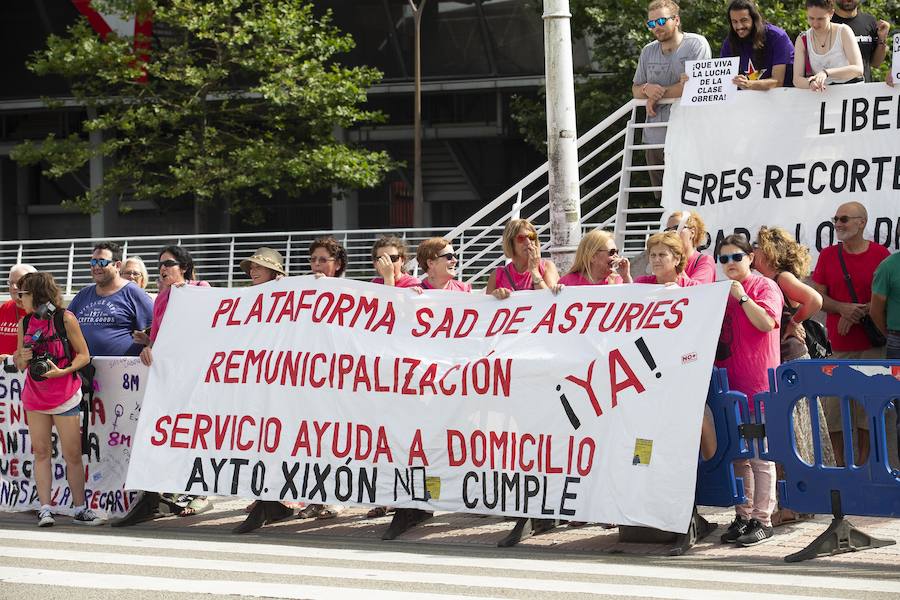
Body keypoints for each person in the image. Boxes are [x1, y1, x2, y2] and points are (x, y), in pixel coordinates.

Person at [113, 246, 212, 527]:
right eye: (160, 265)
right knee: (161, 431)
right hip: (167, 377)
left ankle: (197, 492)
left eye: (169, 263)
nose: (163, 268)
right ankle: (153, 496)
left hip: (195, 376)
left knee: (193, 431)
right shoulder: (161, 299)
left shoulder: (200, 288)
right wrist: (148, 344)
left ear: (184, 267)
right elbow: (160, 338)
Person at [753, 226, 835, 524]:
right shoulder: (767, 280)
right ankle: (798, 502)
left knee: (797, 433)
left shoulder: (781, 278)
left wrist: (793, 322)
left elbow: (814, 299)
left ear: (770, 253)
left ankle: (798, 504)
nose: (753, 252)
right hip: (784, 362)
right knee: (794, 432)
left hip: (792, 360)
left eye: (758, 248)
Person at [14, 272, 102, 527]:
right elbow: (20, 363)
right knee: (41, 453)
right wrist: (23, 356)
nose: (20, 299)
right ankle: (45, 508)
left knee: (72, 454)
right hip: (35, 396)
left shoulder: (65, 318)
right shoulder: (26, 323)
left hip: (65, 394)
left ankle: (80, 508)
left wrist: (63, 371)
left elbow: (83, 355)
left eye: (24, 294)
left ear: (37, 294)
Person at [714, 235, 783, 547]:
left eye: (736, 257)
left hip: (758, 384)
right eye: (724, 258)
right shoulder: (719, 292)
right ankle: (744, 515)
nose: (730, 263)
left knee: (759, 455)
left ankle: (763, 518)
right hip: (730, 385)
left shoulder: (764, 286)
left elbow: (767, 323)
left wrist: (742, 297)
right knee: (738, 456)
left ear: (750, 257)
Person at [811, 202, 890, 466]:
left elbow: (889, 297)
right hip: (838, 348)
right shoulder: (828, 256)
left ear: (861, 222)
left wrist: (859, 312)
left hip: (873, 346)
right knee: (834, 411)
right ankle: (842, 468)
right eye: (835, 219)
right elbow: (817, 296)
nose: (838, 224)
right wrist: (842, 308)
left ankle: (865, 465)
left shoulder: (881, 255)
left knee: (869, 411)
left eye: (844, 219)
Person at [232, 247, 296, 534]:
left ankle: (269, 502)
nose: (253, 271)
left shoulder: (291, 296)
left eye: (259, 267)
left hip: (281, 383)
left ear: (275, 272)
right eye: (251, 267)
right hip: (256, 381)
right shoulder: (246, 298)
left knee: (273, 441)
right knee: (259, 441)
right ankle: (269, 501)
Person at [632, 0, 711, 195]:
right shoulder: (647, 51)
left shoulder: (696, 44)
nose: (656, 27)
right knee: (662, 198)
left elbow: (696, 86)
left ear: (676, 20)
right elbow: (635, 89)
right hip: (654, 138)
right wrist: (646, 89)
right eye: (651, 24)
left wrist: (656, 95)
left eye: (661, 21)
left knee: (692, 194)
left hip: (688, 134)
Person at [299, 236, 348, 520]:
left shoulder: (349, 291)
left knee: (334, 440)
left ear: (337, 264)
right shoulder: (301, 290)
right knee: (311, 441)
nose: (317, 265)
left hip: (338, 378)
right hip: (309, 377)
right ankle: (314, 497)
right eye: (313, 259)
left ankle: (336, 497)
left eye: (323, 260)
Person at [66, 241, 154, 357]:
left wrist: (149, 346)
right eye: (93, 262)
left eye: (102, 262)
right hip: (84, 370)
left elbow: (158, 328)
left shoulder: (134, 293)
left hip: (122, 371)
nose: (96, 267)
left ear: (117, 265)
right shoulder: (83, 294)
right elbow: (64, 325)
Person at [721, 0, 794, 90]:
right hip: (748, 100)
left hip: (784, 98)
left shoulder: (777, 37)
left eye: (744, 20)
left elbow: (778, 81)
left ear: (754, 19)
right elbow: (725, 81)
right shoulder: (729, 42)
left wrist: (749, 84)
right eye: (734, 22)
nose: (739, 26)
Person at [793, 0, 864, 90]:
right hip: (824, 94)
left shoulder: (843, 31)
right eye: (811, 18)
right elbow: (797, 79)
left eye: (820, 19)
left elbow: (858, 69)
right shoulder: (802, 38)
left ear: (831, 13)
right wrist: (810, 83)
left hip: (851, 91)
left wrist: (826, 73)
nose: (815, 24)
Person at [486, 219, 559, 296]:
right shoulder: (497, 275)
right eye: (521, 238)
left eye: (531, 236)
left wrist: (534, 271)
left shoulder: (547, 267)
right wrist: (496, 296)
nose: (528, 242)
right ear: (511, 243)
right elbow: (486, 305)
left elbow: (550, 299)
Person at [832, 0, 891, 83]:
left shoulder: (869, 21)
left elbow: (876, 63)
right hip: (836, 90)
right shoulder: (827, 23)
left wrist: (882, 39)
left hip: (864, 90)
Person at [559, 230, 632, 286]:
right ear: (592, 256)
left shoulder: (617, 281)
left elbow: (632, 300)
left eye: (617, 252)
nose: (616, 256)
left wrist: (626, 276)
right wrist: (555, 291)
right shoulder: (567, 282)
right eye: (611, 252)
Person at [664, 211, 715, 283]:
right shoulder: (664, 260)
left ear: (692, 232)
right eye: (668, 230)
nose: (672, 233)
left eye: (677, 228)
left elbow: (697, 289)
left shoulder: (705, 260)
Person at [634, 232, 699, 287]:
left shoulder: (693, 287)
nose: (656, 260)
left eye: (662, 255)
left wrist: (679, 292)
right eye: (653, 255)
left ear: (677, 259)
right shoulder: (641, 283)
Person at [0, 264, 37, 360]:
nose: (14, 287)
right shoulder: (5, 307)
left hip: (29, 370)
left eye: (19, 282)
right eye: (11, 283)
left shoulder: (42, 312)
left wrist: (12, 359)